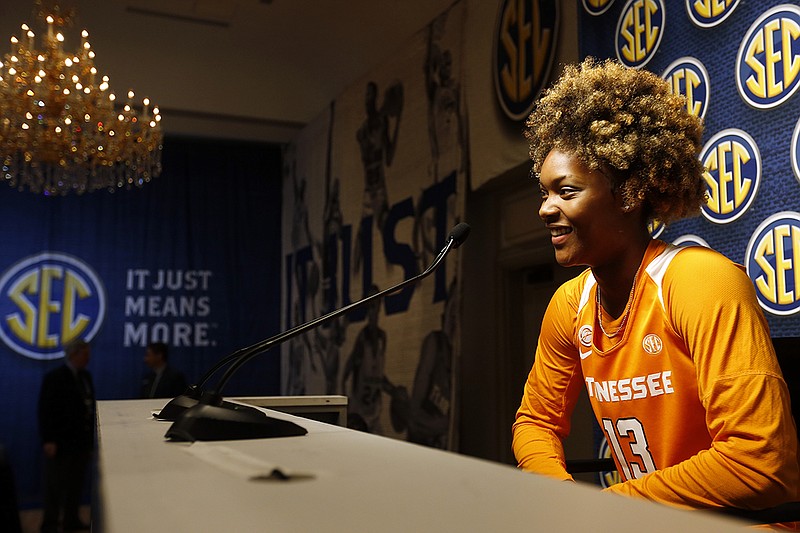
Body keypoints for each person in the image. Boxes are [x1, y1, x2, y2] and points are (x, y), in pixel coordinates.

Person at [512, 57, 799, 512]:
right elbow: (535, 422)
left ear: (630, 194)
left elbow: (758, 463)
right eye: (544, 192)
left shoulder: (701, 282)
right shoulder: (569, 305)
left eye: (566, 191)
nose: (545, 209)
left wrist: (607, 509)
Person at [38, 339, 95, 532]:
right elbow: (45, 410)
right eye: (85, 354)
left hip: (80, 442)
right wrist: (49, 440)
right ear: (74, 354)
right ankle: (50, 523)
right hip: (60, 442)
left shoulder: (86, 377)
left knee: (75, 485)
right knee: (55, 486)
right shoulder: (55, 377)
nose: (88, 358)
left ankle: (71, 520)